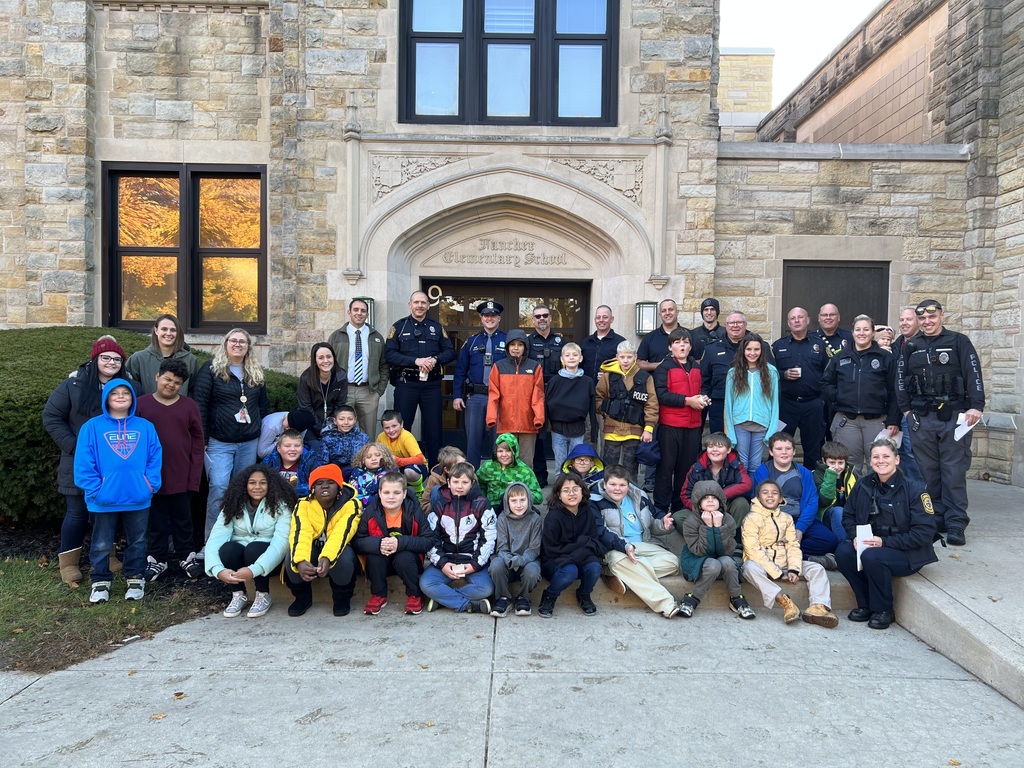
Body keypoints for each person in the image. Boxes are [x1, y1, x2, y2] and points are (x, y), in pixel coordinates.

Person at [43, 336, 132, 586]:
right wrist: (74, 446)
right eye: (106, 357)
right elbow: (51, 416)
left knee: (108, 512)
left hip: (114, 465)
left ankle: (108, 556)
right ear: (95, 359)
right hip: (76, 462)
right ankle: (69, 563)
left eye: (117, 359)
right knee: (77, 513)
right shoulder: (74, 384)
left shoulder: (126, 387)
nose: (111, 362)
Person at [897, 299, 985, 546]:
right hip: (921, 418)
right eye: (922, 319)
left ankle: (956, 522)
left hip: (955, 417)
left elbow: (973, 373)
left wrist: (976, 406)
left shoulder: (959, 341)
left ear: (941, 316)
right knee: (928, 472)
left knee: (954, 471)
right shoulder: (911, 346)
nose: (927, 322)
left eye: (931, 317)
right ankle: (936, 517)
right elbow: (900, 380)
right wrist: (905, 410)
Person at [74, 378, 162, 603]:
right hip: (103, 499)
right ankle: (100, 581)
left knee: (138, 540)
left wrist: (150, 485)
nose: (121, 396)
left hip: (138, 498)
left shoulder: (145, 427)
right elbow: (84, 462)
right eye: (115, 393)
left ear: (132, 398)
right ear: (106, 399)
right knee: (102, 543)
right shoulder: (91, 427)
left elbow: (154, 457)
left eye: (126, 393)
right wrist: (95, 489)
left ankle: (135, 576)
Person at [835, 439, 938, 629]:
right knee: (843, 552)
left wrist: (884, 542)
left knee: (873, 556)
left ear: (897, 460)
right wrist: (854, 536)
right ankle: (865, 604)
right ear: (870, 461)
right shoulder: (862, 485)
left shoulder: (915, 490)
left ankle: (883, 610)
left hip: (908, 553)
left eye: (886, 456)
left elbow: (924, 534)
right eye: (876, 457)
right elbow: (848, 516)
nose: (881, 461)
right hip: (872, 545)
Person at [193, 329, 269, 541]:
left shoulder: (254, 371)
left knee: (245, 490)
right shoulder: (211, 369)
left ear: (248, 347)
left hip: (248, 442)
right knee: (218, 487)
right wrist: (203, 438)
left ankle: (238, 539)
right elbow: (200, 404)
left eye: (242, 341)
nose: (238, 344)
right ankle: (212, 541)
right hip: (220, 442)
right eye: (233, 341)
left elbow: (262, 407)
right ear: (225, 344)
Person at [136, 359, 204, 582]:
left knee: (183, 519)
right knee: (155, 521)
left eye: (177, 382)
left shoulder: (189, 406)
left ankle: (186, 555)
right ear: (157, 377)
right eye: (167, 379)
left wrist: (194, 477)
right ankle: (157, 558)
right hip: (150, 477)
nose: (171, 385)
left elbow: (197, 442)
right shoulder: (141, 405)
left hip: (181, 475)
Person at [741, 480, 839, 628]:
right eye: (765, 493)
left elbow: (793, 545)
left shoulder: (786, 519)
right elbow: (753, 550)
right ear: (758, 497)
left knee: (816, 568)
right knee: (749, 568)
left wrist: (794, 569)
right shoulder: (751, 519)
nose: (770, 496)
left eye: (774, 493)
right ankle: (785, 602)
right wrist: (778, 573)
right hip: (764, 566)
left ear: (781, 499)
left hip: (785, 562)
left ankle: (818, 607)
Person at [204, 465, 297, 618]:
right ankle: (238, 594)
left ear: (271, 484)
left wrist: (254, 570)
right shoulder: (233, 505)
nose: (257, 487)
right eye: (252, 482)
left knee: (254, 548)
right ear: (244, 485)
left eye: (263, 482)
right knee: (227, 549)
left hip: (269, 561)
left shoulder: (282, 506)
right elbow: (215, 539)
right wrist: (217, 570)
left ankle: (263, 594)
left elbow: (281, 543)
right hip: (241, 559)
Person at [592, 465, 681, 618]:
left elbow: (654, 520)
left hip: (643, 544)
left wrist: (663, 524)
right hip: (614, 548)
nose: (617, 489)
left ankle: (626, 576)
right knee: (620, 561)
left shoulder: (639, 496)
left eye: (622, 485)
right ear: (604, 484)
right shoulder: (594, 501)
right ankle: (665, 603)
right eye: (613, 484)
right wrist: (624, 546)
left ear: (628, 485)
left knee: (673, 562)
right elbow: (600, 532)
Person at [820, 315, 900, 475]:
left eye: (866, 329)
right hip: (847, 422)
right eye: (858, 329)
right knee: (849, 466)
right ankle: (853, 499)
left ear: (872, 333)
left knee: (879, 465)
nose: (861, 333)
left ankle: (878, 500)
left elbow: (895, 390)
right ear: (852, 333)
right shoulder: (840, 357)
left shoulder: (886, 358)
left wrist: (894, 420)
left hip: (877, 422)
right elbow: (825, 384)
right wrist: (839, 396)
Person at [384, 290, 456, 466]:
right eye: (416, 302)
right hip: (406, 384)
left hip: (431, 385)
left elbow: (450, 352)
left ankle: (436, 469)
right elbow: (389, 354)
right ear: (410, 305)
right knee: (402, 428)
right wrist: (415, 360)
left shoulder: (437, 328)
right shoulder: (399, 327)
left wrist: (434, 359)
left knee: (434, 430)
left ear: (428, 306)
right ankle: (402, 468)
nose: (419, 305)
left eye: (423, 303)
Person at [284, 463, 362, 617]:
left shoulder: (351, 504)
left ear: (339, 486)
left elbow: (342, 532)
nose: (325, 486)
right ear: (312, 487)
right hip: (313, 547)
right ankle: (302, 597)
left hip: (340, 547)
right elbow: (300, 532)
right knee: (291, 557)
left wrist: (327, 557)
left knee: (342, 559)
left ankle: (341, 597)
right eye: (319, 483)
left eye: (331, 482)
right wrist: (300, 560)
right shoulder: (303, 505)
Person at [354, 471, 436, 616]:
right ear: (379, 493)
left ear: (404, 494)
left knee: (403, 557)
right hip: (382, 561)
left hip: (407, 561)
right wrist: (378, 544)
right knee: (374, 555)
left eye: (396, 493)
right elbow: (358, 541)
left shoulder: (413, 510)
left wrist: (400, 542)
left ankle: (414, 594)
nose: (391, 497)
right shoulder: (371, 512)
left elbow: (428, 540)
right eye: (386, 492)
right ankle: (378, 594)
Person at [421, 462, 497, 614]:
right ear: (448, 483)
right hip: (446, 560)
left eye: (464, 482)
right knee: (426, 584)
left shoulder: (482, 505)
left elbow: (488, 539)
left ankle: (443, 600)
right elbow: (431, 539)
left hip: (472, 561)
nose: (460, 486)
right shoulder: (438, 505)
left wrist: (474, 565)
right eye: (455, 481)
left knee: (486, 588)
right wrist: (442, 564)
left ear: (472, 483)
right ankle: (471, 605)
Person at [751, 432, 840, 558]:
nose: (784, 452)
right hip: (773, 519)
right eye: (779, 449)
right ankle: (803, 557)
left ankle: (788, 553)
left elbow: (812, 501)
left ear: (794, 452)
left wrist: (800, 529)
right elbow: (762, 501)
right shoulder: (763, 471)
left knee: (829, 540)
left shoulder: (804, 473)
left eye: (788, 449)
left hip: (800, 518)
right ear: (771, 452)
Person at [677, 481, 755, 619]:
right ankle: (692, 599)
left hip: (720, 557)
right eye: (706, 498)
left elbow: (727, 551)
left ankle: (736, 599)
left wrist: (719, 527)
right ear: (698, 502)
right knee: (714, 565)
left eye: (714, 498)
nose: (710, 501)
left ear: (721, 502)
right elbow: (701, 551)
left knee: (728, 562)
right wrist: (707, 527)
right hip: (696, 561)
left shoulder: (728, 520)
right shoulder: (690, 522)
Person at [652, 328, 705, 514]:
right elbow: (661, 395)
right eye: (677, 342)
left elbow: (702, 388)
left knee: (686, 471)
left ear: (690, 346)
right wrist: (687, 401)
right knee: (666, 470)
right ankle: (659, 509)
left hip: (693, 427)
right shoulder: (664, 367)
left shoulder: (697, 367)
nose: (681, 345)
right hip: (670, 426)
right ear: (670, 346)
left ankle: (679, 509)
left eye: (685, 342)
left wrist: (704, 399)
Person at [538, 472, 606, 618]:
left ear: (582, 491)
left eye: (576, 489)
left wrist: (578, 549)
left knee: (594, 567)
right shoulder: (553, 517)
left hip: (578, 556)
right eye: (566, 490)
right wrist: (582, 544)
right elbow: (551, 549)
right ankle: (550, 596)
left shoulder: (587, 511)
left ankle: (584, 594)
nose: (572, 494)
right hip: (555, 561)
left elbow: (593, 540)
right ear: (558, 494)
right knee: (570, 571)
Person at [771, 307, 827, 468]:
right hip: (786, 405)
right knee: (780, 444)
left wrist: (822, 401)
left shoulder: (819, 345)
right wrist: (784, 375)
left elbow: (828, 374)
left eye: (800, 317)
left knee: (813, 447)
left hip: (813, 404)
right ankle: (778, 481)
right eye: (793, 318)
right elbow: (770, 374)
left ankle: (811, 482)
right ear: (788, 323)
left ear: (807, 320)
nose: (797, 320)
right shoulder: (778, 346)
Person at [595, 340, 659, 483]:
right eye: (622, 357)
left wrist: (648, 428)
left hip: (635, 431)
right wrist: (605, 410)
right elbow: (598, 397)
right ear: (617, 357)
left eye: (629, 357)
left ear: (635, 357)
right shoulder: (607, 376)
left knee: (631, 471)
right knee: (610, 470)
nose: (625, 360)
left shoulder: (645, 378)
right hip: (612, 432)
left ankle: (631, 500)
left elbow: (652, 404)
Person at [453, 301, 506, 466]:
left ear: (499, 318)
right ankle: (471, 475)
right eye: (486, 315)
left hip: (500, 397)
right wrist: (456, 396)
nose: (489, 319)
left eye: (493, 315)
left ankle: (498, 474)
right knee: (473, 439)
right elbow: (460, 371)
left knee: (499, 439)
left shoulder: (508, 340)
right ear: (481, 318)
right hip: (476, 397)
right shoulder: (471, 342)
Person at [328, 298, 390, 439]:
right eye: (356, 310)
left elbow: (384, 366)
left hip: (368, 392)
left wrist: (378, 391)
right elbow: (328, 363)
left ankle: (367, 460)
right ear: (349, 312)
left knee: (368, 434)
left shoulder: (377, 337)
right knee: (342, 431)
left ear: (367, 314)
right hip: (344, 390)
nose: (359, 313)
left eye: (363, 310)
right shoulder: (336, 336)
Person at [636, 298, 681, 491]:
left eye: (671, 309)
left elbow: (696, 362)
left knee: (674, 439)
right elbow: (639, 363)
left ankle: (676, 480)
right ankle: (650, 481)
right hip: (654, 395)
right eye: (664, 310)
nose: (668, 313)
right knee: (652, 437)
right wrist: (660, 366)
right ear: (660, 314)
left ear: (676, 311)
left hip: (679, 397)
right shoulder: (651, 338)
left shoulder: (686, 335)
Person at [486, 329, 545, 467]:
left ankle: (525, 489)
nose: (516, 348)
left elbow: (538, 395)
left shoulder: (534, 366)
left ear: (525, 347)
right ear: (507, 347)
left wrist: (539, 418)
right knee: (506, 462)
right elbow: (493, 395)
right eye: (512, 345)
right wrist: (491, 418)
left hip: (528, 424)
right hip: (506, 425)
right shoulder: (499, 366)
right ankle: (507, 489)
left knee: (526, 463)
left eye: (520, 344)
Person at [724, 333, 779, 478]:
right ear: (743, 350)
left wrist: (772, 431)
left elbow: (775, 403)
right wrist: (730, 433)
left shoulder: (771, 372)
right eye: (749, 349)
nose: (752, 353)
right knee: (742, 464)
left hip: (761, 426)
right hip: (740, 425)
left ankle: (754, 499)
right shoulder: (733, 373)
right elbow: (728, 404)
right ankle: (742, 499)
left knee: (755, 466)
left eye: (756, 349)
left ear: (762, 351)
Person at [488, 481, 543, 617]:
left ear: (529, 500)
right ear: (507, 502)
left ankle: (523, 597)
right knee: (496, 565)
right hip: (507, 560)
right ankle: (503, 598)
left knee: (533, 572)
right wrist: (509, 558)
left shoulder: (535, 519)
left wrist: (521, 559)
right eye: (513, 500)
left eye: (522, 500)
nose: (518, 505)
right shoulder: (502, 518)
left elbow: (534, 548)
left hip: (528, 560)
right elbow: (501, 547)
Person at [526, 303, 566, 487]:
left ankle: (564, 474)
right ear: (533, 320)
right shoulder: (526, 343)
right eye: (538, 316)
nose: (542, 319)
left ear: (551, 318)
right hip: (535, 394)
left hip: (558, 394)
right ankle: (540, 474)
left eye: (545, 315)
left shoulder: (561, 343)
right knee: (539, 434)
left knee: (561, 433)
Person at [680, 433, 753, 528]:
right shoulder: (697, 467)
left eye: (720, 446)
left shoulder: (735, 465)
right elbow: (685, 494)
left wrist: (719, 497)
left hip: (725, 505)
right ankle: (704, 539)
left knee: (741, 503)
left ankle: (732, 538)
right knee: (678, 518)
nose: (714, 450)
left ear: (728, 450)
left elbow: (746, 484)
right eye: (710, 446)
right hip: (703, 507)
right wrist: (701, 508)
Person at [545, 342, 597, 469]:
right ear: (562, 359)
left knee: (576, 465)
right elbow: (546, 405)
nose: (571, 357)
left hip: (578, 429)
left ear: (581, 358)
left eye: (575, 355)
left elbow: (592, 408)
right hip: (558, 429)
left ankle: (575, 488)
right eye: (567, 355)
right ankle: (560, 488)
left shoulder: (587, 382)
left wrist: (594, 432)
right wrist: (544, 429)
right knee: (560, 465)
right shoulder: (554, 381)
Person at [700, 311, 752, 434]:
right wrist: (704, 397)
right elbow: (704, 378)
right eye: (731, 323)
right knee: (719, 442)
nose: (735, 325)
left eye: (739, 322)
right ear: (726, 325)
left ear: (745, 325)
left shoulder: (757, 347)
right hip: (719, 405)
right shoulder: (712, 349)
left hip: (748, 404)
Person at [124, 314, 199, 397]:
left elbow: (194, 391)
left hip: (180, 409)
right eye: (164, 329)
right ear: (156, 330)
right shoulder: (138, 359)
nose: (168, 333)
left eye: (173, 330)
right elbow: (128, 388)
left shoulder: (190, 360)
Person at [893, 307, 924, 484]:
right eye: (902, 319)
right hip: (895, 407)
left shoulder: (923, 344)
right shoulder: (896, 345)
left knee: (913, 453)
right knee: (900, 454)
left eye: (909, 320)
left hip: (913, 409)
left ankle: (919, 494)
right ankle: (904, 493)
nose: (904, 323)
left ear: (918, 322)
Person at [296, 342, 348, 440]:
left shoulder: (341, 376)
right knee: (317, 450)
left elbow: (340, 405)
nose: (326, 361)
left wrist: (330, 427)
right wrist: (321, 429)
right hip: (310, 424)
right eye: (321, 358)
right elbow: (305, 407)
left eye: (329, 356)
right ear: (315, 361)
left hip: (333, 424)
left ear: (333, 358)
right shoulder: (306, 378)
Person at [477, 433, 544, 507]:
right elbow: (478, 483)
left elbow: (538, 497)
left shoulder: (524, 471)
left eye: (508, 451)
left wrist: (520, 489)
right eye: (500, 451)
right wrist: (483, 500)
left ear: (515, 451)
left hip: (514, 509)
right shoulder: (488, 466)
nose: (504, 454)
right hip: (491, 508)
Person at [813, 440, 858, 542]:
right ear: (824, 461)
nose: (837, 467)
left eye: (840, 463)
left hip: (848, 515)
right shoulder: (816, 475)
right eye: (832, 463)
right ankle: (845, 544)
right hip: (825, 515)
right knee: (838, 511)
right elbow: (825, 501)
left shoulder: (851, 474)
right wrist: (831, 477)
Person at [377, 410, 429, 494]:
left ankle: (419, 490)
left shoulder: (406, 436)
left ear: (401, 424)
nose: (391, 430)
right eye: (387, 428)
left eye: (394, 426)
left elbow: (420, 459)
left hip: (415, 468)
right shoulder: (381, 437)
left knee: (409, 472)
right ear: (383, 428)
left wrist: (398, 461)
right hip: (394, 467)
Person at [312, 404, 369, 470]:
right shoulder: (327, 439)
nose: (346, 422)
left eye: (350, 419)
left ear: (355, 420)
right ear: (335, 421)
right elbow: (322, 462)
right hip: (334, 472)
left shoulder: (363, 438)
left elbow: (367, 460)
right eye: (341, 419)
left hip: (358, 473)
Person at [261, 429, 315, 496]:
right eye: (287, 446)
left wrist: (285, 490)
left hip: (301, 502)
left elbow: (314, 486)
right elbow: (260, 483)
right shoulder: (269, 462)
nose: (292, 449)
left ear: (302, 448)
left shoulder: (310, 463)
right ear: (279, 448)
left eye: (297, 445)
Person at [580, 304, 625, 382]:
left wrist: (609, 375)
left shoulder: (620, 343)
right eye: (598, 317)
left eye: (605, 317)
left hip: (610, 390)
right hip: (587, 389)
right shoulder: (586, 342)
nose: (601, 320)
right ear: (595, 320)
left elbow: (627, 368)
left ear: (612, 319)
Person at [346, 441, 399, 506]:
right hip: (363, 509)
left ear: (385, 457)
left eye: (378, 455)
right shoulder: (357, 473)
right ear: (363, 461)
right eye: (368, 457)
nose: (373, 459)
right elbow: (355, 496)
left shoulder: (391, 471)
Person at [421, 445, 467, 513]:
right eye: (459, 466)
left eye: (465, 463)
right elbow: (424, 505)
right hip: (442, 512)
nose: (464, 468)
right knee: (436, 489)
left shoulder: (470, 475)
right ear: (447, 470)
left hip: (464, 512)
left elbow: (477, 500)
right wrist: (442, 503)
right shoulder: (434, 478)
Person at [689, 297, 727, 361]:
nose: (709, 313)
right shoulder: (693, 334)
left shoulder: (726, 333)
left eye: (712, 309)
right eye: (706, 310)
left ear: (717, 312)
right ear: (702, 313)